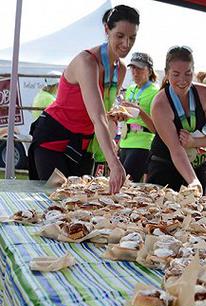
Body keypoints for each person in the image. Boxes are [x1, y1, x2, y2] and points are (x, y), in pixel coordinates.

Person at [27, 5, 139, 193]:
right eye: (120, 36)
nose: (126, 44)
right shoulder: (86, 62)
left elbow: (104, 112)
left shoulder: (120, 69)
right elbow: (97, 116)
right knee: (58, 202)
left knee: (81, 205)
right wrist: (115, 163)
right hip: (54, 138)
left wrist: (115, 120)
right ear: (106, 30)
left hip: (84, 145)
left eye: (132, 38)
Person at [146, 46, 206, 193]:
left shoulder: (205, 93)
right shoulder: (160, 103)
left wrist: (195, 142)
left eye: (188, 74)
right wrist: (192, 180)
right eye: (176, 74)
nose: (182, 80)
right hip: (165, 168)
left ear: (193, 71)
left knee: (196, 214)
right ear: (167, 73)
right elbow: (176, 150)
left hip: (199, 166)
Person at [118, 52, 158, 182]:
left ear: (149, 70)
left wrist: (139, 110)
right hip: (124, 141)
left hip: (143, 144)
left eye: (139, 68)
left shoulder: (156, 92)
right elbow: (128, 117)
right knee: (121, 184)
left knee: (124, 184)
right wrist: (120, 115)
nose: (135, 72)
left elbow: (156, 128)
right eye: (133, 68)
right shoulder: (130, 89)